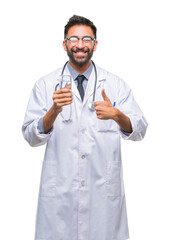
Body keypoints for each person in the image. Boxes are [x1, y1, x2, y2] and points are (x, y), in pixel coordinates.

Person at [22, 15, 148, 240]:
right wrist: (54, 111)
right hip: (60, 196)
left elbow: (139, 129)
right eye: (74, 39)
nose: (80, 45)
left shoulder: (115, 85)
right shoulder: (45, 85)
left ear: (95, 45)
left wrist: (117, 115)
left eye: (86, 39)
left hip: (103, 198)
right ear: (65, 44)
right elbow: (31, 136)